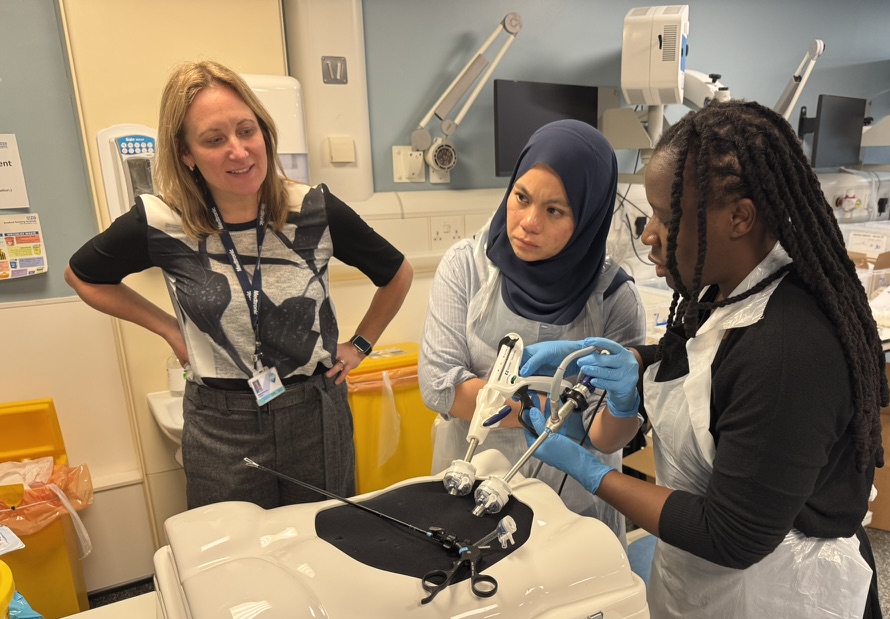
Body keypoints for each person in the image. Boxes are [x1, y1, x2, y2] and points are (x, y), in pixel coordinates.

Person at [517, 101, 890, 619]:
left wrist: (593, 469)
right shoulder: (730, 287)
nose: (651, 234)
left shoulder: (791, 349)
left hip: (780, 608)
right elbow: (703, 357)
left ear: (739, 217)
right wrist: (631, 357)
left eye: (668, 215)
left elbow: (733, 534)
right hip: (717, 597)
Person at [66, 60, 413, 509]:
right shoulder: (162, 222)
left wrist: (361, 345)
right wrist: (170, 329)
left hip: (313, 412)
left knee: (322, 542)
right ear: (186, 153)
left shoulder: (311, 210)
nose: (239, 150)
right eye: (214, 139)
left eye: (247, 131)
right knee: (229, 558)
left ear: (265, 133)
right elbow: (83, 275)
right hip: (220, 424)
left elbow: (397, 274)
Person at [419, 119, 645, 544]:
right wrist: (547, 413)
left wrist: (624, 402)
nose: (527, 222)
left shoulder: (615, 297)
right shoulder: (466, 267)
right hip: (468, 488)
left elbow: (602, 433)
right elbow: (438, 387)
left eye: (554, 210)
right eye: (520, 198)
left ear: (589, 217)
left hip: (574, 510)